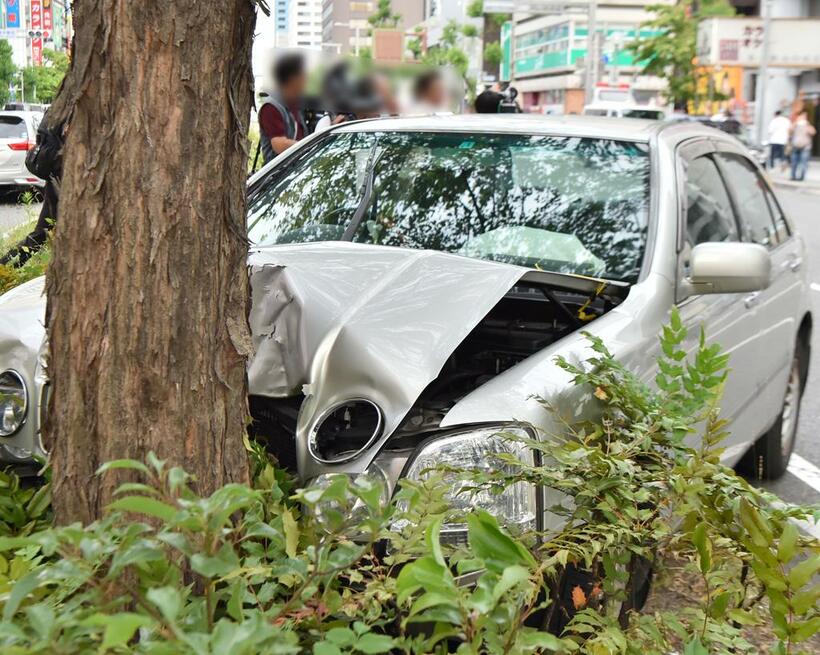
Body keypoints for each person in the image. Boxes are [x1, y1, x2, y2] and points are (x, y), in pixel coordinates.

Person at [0, 114, 64, 268]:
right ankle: (4, 268)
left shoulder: (57, 108)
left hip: (54, 178)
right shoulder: (74, 109)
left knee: (40, 233)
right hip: (64, 180)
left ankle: (5, 267)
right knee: (44, 233)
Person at [258, 53, 308, 164]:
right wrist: (310, 146)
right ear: (292, 79)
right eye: (303, 75)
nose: (307, 79)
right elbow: (279, 144)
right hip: (279, 175)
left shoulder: (297, 105)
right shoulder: (271, 107)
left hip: (298, 170)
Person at [790, 111, 816, 182]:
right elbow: (789, 131)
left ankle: (801, 177)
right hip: (795, 146)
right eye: (802, 116)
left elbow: (813, 132)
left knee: (804, 163)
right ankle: (793, 176)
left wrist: (807, 124)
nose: (803, 117)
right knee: (794, 162)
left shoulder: (808, 125)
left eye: (805, 116)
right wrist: (796, 122)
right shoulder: (796, 125)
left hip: (805, 147)